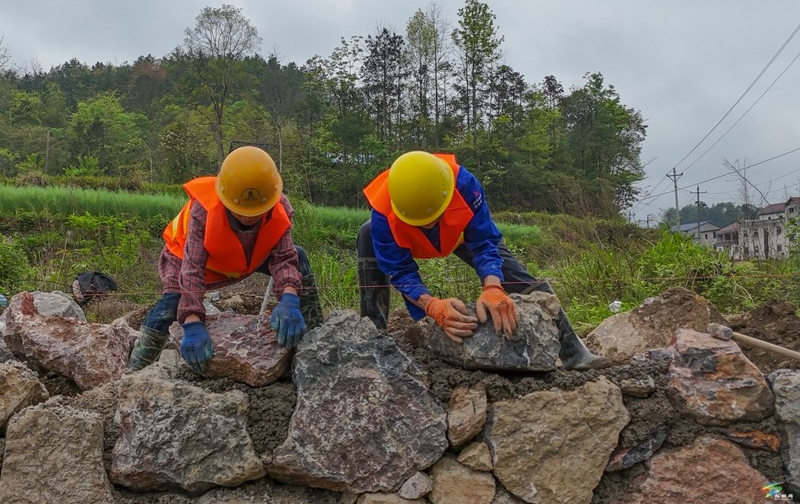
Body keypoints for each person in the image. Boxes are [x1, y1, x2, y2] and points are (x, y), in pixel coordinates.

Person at [357, 150, 611, 371]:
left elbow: (485, 241)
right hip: (406, 243)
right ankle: (373, 337)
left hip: (461, 235)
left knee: (516, 274)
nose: (430, 225)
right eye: (423, 222)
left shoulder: (465, 184)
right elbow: (401, 271)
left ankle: (574, 352)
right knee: (366, 233)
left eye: (434, 217)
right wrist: (432, 305)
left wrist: (492, 286)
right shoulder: (383, 213)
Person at [128, 146, 323, 372]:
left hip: (245, 257)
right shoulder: (204, 212)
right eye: (241, 211)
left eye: (256, 212)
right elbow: (192, 270)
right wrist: (192, 322)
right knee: (171, 303)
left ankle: (314, 335)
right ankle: (135, 369)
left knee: (299, 257)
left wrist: (290, 299)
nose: (248, 217)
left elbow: (284, 258)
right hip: (186, 257)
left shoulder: (279, 207)